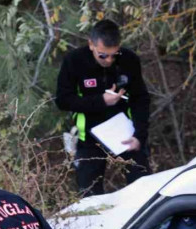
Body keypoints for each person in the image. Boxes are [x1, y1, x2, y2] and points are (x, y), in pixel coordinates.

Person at [56, 19, 151, 196]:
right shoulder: (74, 61)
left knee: (143, 187)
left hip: (125, 135)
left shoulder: (129, 60)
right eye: (103, 55)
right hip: (89, 138)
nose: (108, 60)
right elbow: (63, 100)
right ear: (91, 44)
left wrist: (140, 135)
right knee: (90, 197)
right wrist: (101, 101)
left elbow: (141, 99)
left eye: (113, 55)